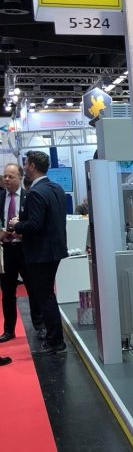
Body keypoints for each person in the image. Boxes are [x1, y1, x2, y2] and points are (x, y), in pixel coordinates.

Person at [8, 151, 68, 355]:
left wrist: (16, 225)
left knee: (45, 297)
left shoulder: (35, 192)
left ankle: (55, 341)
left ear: (32, 166)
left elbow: (34, 225)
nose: (24, 167)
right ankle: (55, 339)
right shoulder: (56, 188)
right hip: (55, 250)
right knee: (48, 295)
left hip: (41, 253)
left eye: (26, 163)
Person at [0, 161, 44, 346]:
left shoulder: (30, 197)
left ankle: (39, 327)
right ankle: (9, 329)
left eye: (11, 176)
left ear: (20, 177)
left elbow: (36, 223)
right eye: (5, 176)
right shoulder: (0, 197)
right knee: (7, 291)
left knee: (33, 289)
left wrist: (22, 231)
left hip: (26, 249)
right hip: (6, 250)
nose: (7, 179)